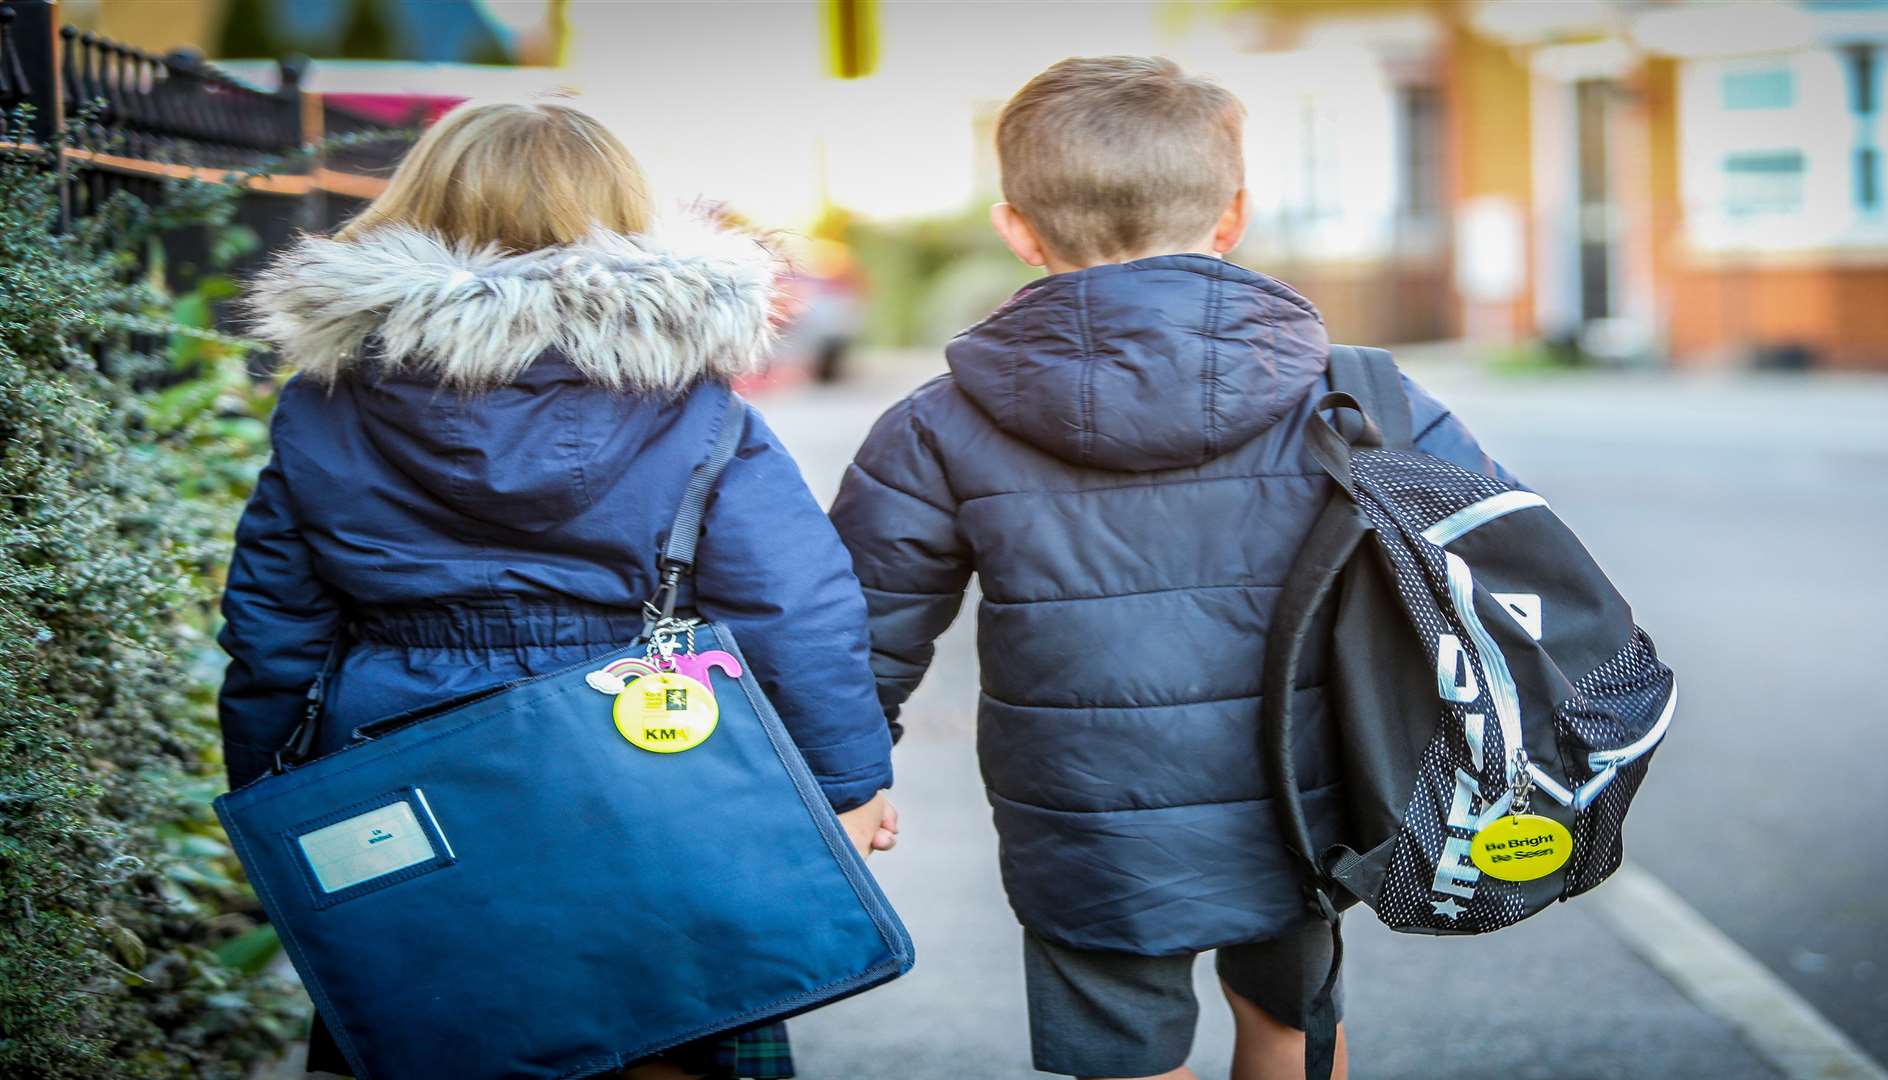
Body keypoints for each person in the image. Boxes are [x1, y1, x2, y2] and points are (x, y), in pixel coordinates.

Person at [828, 57, 1510, 1080]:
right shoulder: (1361, 399)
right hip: (1305, 788)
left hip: (1083, 816)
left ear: (1017, 226)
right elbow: (1496, 564)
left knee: (1122, 1050)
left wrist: (851, 775)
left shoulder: (937, 424)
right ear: (1231, 217)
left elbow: (864, 625)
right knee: (1289, 1024)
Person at [219, 100, 897, 1080]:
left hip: (404, 771)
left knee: (438, 1032)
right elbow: (796, 610)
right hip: (650, 762)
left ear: (417, 209)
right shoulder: (694, 403)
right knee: (676, 1024)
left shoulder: (325, 399)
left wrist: (271, 796)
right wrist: (849, 783)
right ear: (621, 213)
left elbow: (272, 630)